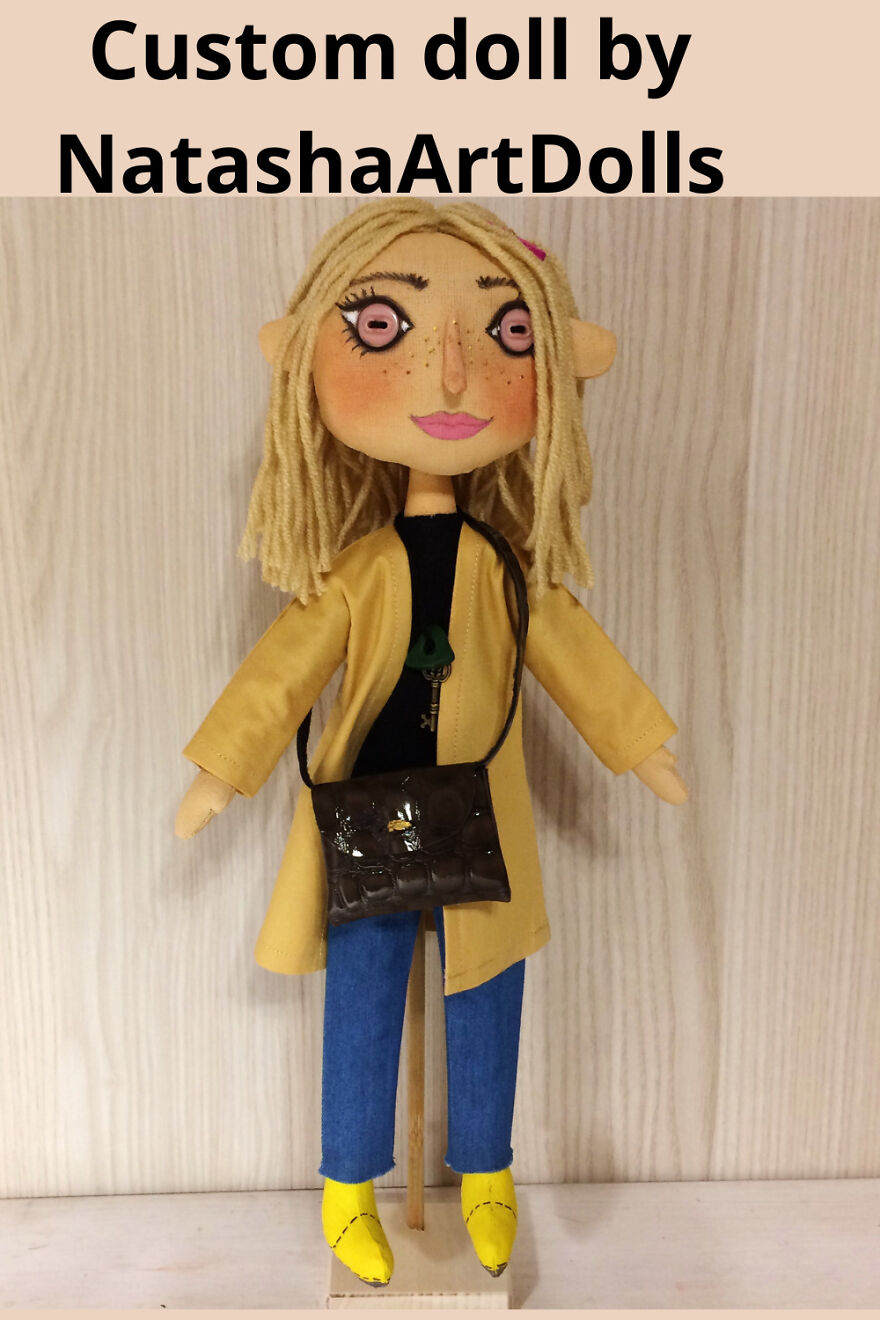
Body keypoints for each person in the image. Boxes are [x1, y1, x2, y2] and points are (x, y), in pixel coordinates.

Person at [175, 200, 687, 1287]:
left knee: (488, 987)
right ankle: (348, 1186)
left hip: (480, 820)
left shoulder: (507, 570)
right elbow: (286, 667)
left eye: (506, 334)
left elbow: (573, 652)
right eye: (382, 329)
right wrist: (223, 769)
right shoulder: (359, 571)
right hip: (369, 819)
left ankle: (489, 1173)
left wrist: (639, 741)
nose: (450, 377)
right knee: (363, 996)